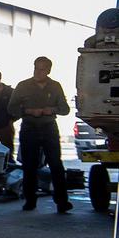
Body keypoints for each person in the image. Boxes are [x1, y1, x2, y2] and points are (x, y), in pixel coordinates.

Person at [7, 56, 72, 213]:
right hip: (30, 127)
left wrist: (52, 109)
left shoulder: (55, 86)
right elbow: (11, 108)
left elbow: (65, 109)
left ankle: (62, 202)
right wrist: (27, 111)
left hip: (49, 128)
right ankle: (30, 200)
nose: (38, 72)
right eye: (36, 68)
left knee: (56, 164)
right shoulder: (23, 86)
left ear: (48, 70)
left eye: (42, 69)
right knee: (29, 165)